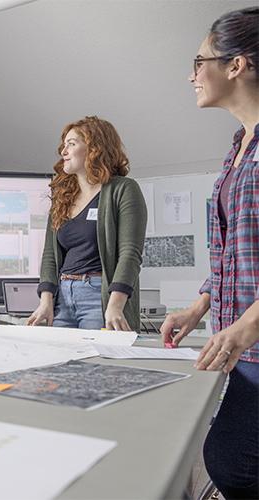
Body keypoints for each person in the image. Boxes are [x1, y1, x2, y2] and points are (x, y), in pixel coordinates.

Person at [160, 7, 259, 498]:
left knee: (232, 462)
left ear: (236, 65)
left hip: (253, 338)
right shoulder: (239, 144)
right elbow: (237, 246)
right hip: (239, 340)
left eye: (200, 62)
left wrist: (247, 325)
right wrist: (200, 305)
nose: (192, 75)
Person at [28, 116, 146, 332]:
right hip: (61, 297)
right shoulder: (62, 196)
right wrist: (45, 301)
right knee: (57, 363)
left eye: (71, 144)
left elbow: (130, 254)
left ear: (95, 148)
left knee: (95, 364)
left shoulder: (123, 190)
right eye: (64, 145)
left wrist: (115, 305)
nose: (63, 152)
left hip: (98, 296)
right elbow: (49, 255)